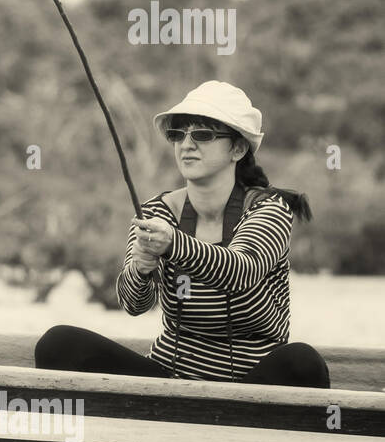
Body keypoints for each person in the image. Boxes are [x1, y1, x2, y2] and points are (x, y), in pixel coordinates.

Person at [34, 80, 329, 388]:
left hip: (253, 388)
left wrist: (173, 243)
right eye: (178, 134)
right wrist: (140, 269)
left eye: (203, 134)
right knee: (59, 343)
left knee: (302, 361)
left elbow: (241, 271)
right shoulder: (159, 212)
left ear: (238, 148)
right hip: (170, 384)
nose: (186, 144)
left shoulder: (269, 209)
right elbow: (134, 305)